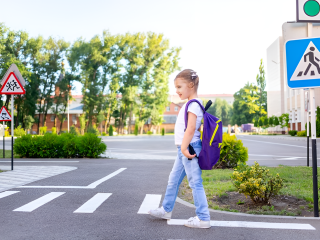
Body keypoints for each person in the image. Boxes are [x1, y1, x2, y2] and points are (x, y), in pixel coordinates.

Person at [148, 69, 211, 229]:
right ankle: (166, 210)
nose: (176, 91)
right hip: (183, 149)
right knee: (173, 180)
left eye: (179, 87)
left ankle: (203, 218)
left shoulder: (194, 104)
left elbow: (190, 129)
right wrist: (181, 149)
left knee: (195, 182)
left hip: (188, 148)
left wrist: (183, 148)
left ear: (191, 85)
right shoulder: (190, 104)